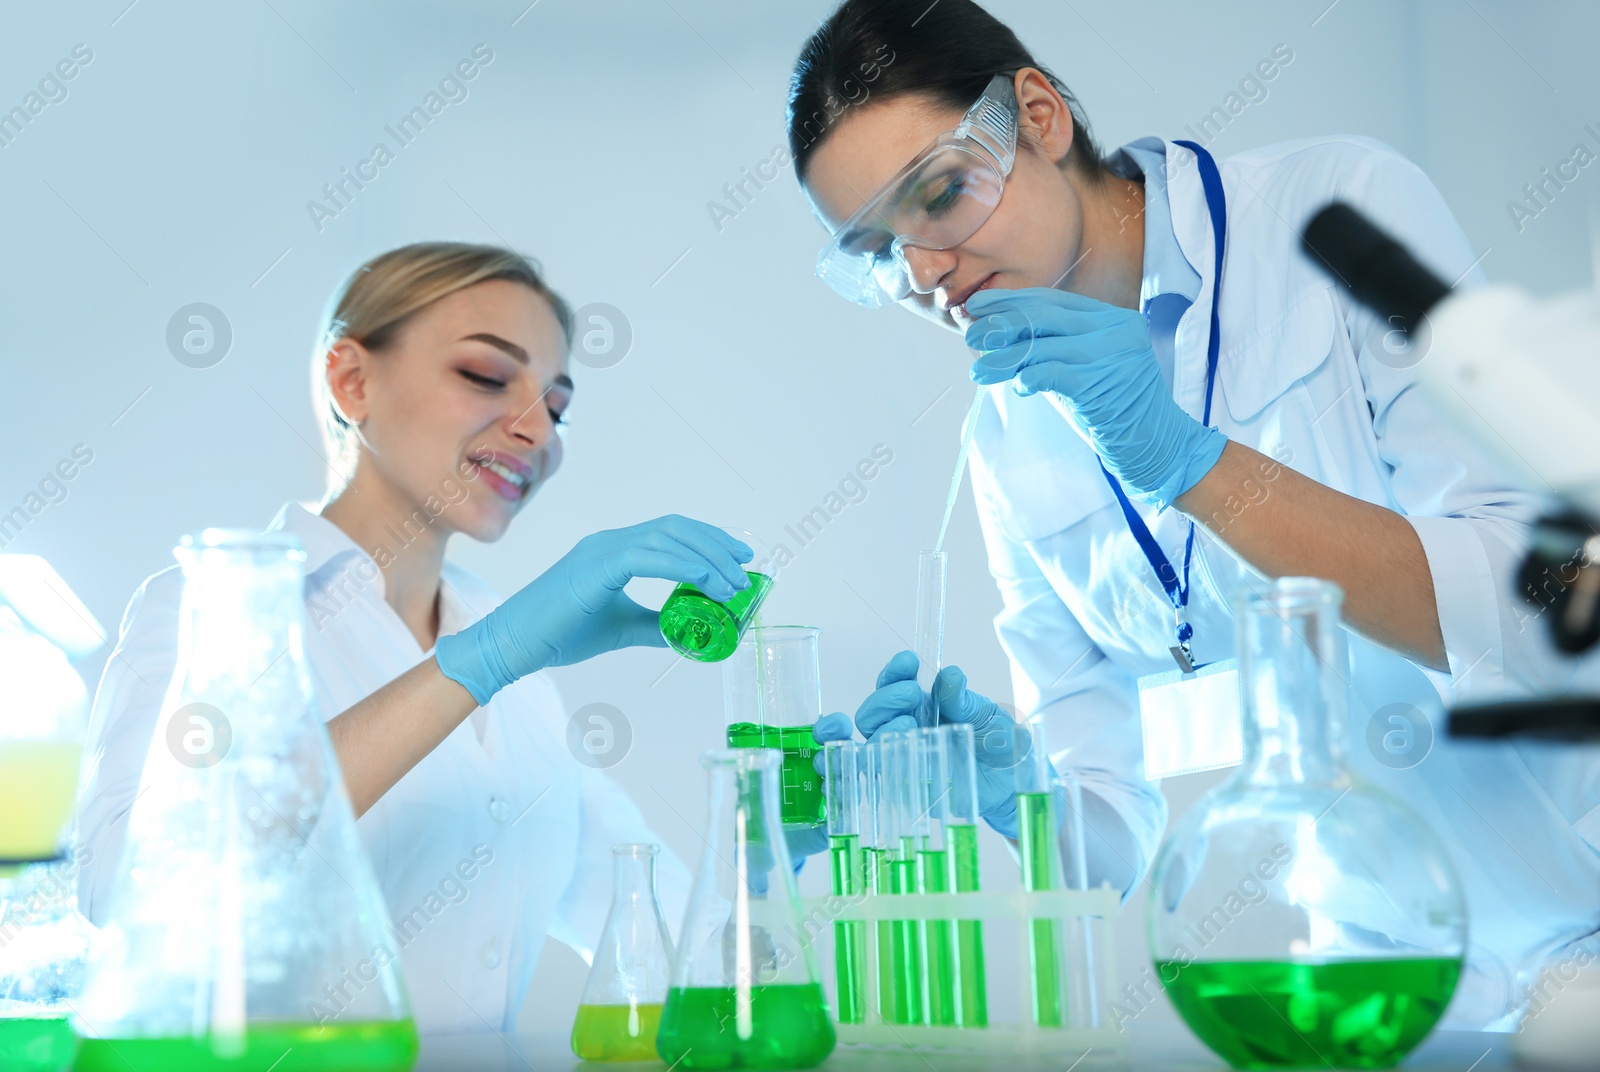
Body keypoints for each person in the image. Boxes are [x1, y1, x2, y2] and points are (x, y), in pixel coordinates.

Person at [790, 0, 1600, 1030]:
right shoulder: (1007, 439)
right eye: (877, 253)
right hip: (1376, 982)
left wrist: (1190, 464)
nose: (926, 274)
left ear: (1035, 117)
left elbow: (1535, 607)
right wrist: (1013, 796)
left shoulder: (1337, 210)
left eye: (940, 194)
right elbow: (1110, 838)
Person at [76, 242, 759, 1034]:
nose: (538, 428)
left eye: (559, 406)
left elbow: (676, 940)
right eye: (484, 376)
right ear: (352, 381)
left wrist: (785, 827)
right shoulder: (210, 607)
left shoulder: (520, 664)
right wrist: (478, 664)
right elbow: (130, 890)